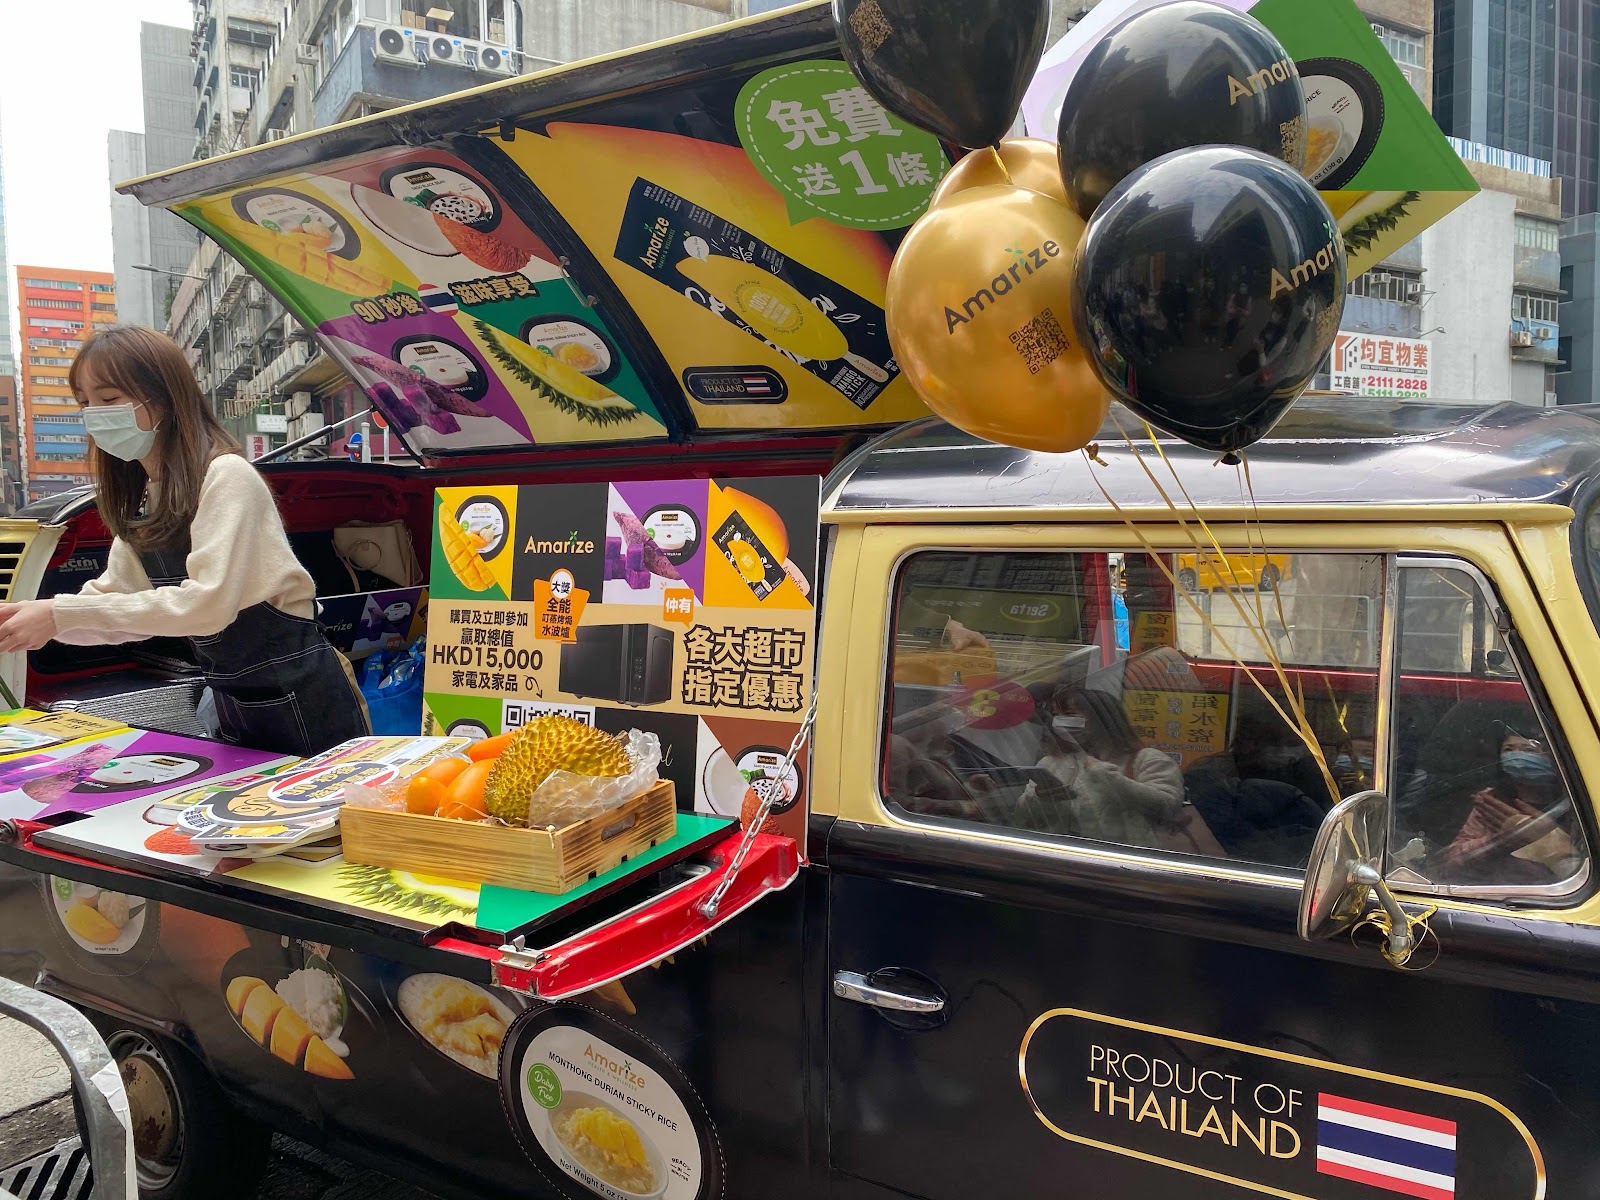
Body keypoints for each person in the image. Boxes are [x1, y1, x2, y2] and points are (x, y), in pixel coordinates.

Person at [0, 326, 370, 758]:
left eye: (109, 398)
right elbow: (115, 603)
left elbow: (208, 605)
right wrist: (29, 622)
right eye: (84, 403)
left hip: (306, 694)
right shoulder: (144, 498)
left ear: (164, 397)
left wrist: (58, 615)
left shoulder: (227, 476)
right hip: (235, 699)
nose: (94, 415)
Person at [1034, 686, 1187, 848]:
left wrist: (1104, 774)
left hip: (1125, 857)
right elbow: (1025, 819)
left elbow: (1168, 806)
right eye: (1056, 715)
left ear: (1102, 718)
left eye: (1070, 714)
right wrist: (1040, 799)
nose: (1060, 721)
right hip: (1064, 856)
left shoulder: (1147, 759)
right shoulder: (1052, 763)